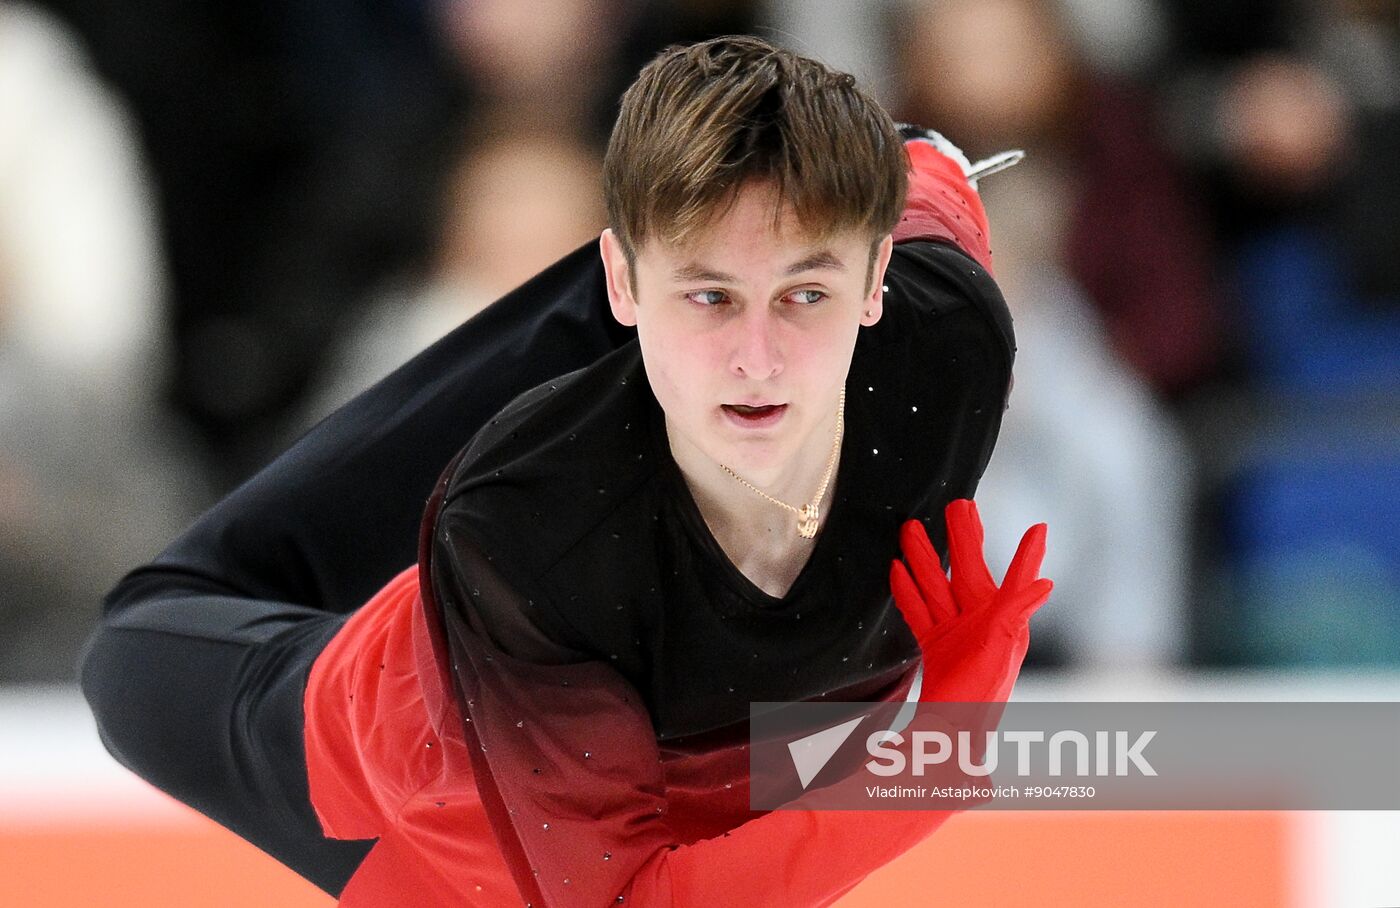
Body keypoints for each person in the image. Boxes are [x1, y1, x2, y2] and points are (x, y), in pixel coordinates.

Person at [80, 36, 1050, 906]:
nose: (760, 357)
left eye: (806, 291)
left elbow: (930, 198)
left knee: (696, 328)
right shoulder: (533, 528)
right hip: (425, 775)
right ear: (618, 279)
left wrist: (914, 157)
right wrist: (928, 762)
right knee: (134, 647)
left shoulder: (942, 338)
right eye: (711, 296)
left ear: (875, 280)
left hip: (530, 835)